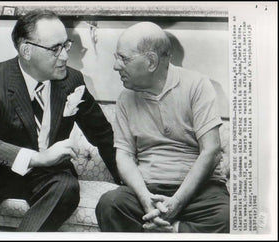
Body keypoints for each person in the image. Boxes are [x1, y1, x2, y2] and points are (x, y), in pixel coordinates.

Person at [0, 9, 120, 232]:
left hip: (49, 177)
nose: (65, 56)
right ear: (26, 50)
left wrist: (130, 183)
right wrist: (37, 158)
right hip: (1, 173)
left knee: (67, 186)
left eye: (66, 45)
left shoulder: (72, 81)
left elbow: (103, 134)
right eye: (55, 49)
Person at [96, 22, 229, 233]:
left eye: (124, 58)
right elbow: (125, 156)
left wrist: (176, 203)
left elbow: (211, 151)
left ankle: (171, 229)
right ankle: (169, 227)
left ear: (151, 61)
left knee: (226, 216)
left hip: (199, 190)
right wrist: (146, 200)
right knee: (110, 204)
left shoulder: (197, 85)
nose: (116, 66)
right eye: (116, 57)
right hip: (149, 189)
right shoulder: (125, 98)